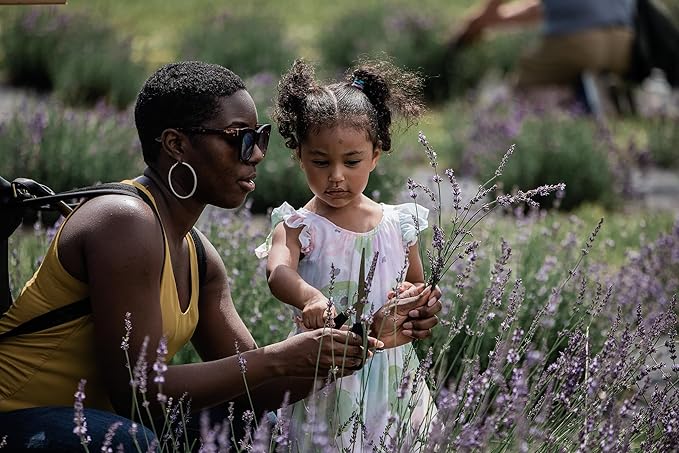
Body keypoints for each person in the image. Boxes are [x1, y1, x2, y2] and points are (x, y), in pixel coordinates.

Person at [0, 61, 442, 451]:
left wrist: (367, 338)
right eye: (240, 139)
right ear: (176, 144)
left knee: (251, 424)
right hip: (16, 416)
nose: (258, 154)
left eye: (261, 137)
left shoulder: (198, 255)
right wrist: (277, 358)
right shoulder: (124, 222)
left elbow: (258, 391)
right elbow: (139, 393)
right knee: (133, 442)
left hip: (93, 420)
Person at [255, 58, 440, 451]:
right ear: (299, 156)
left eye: (352, 161)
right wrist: (310, 298)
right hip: (326, 371)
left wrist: (413, 299)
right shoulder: (298, 225)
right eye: (320, 162)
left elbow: (414, 281)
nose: (336, 176)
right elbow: (279, 272)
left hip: (393, 369)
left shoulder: (399, 223)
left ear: (376, 155)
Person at [456, 0, 636, 89]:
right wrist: (495, 21)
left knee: (520, 88)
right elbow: (543, 9)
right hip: (624, 45)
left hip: (579, 42)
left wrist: (476, 23)